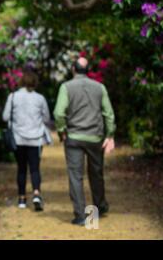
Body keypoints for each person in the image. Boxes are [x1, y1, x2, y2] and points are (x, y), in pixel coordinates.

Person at [53, 57, 116, 225]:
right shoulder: (100, 87)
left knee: (76, 176)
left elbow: (59, 113)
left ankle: (81, 216)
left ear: (73, 69)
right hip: (95, 137)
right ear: (88, 70)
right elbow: (108, 113)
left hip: (74, 137)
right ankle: (99, 206)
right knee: (96, 173)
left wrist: (61, 131)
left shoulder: (66, 87)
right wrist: (109, 135)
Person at [2, 70, 52, 211]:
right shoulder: (40, 98)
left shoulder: (13, 97)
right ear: (35, 83)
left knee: (21, 169)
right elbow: (47, 118)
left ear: (22, 82)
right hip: (35, 140)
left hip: (18, 139)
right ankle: (36, 193)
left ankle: (22, 199)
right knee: (35, 168)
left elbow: (5, 117)